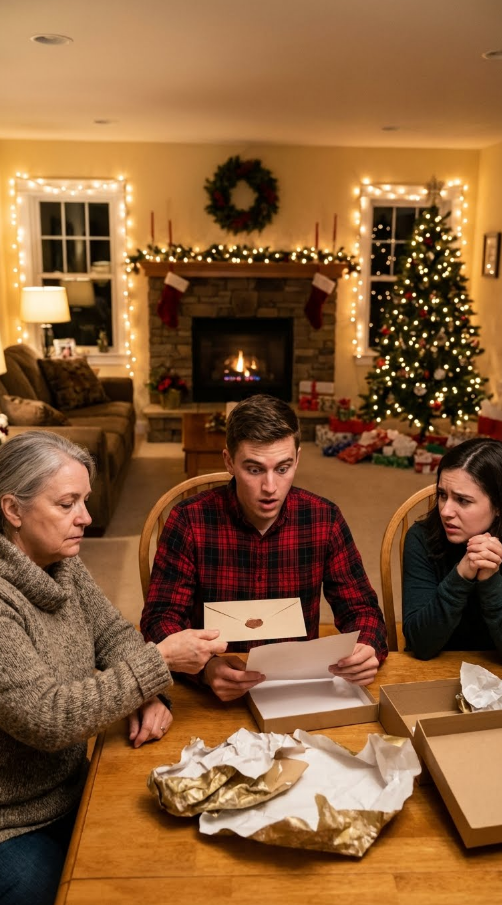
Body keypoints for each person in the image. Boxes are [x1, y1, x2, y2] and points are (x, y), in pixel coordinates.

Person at [0, 431, 226, 905]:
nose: (86, 517)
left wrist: (151, 694)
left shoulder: (61, 561)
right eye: (67, 504)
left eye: (84, 500)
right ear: (13, 510)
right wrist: (160, 661)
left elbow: (115, 635)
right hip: (12, 823)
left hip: (73, 782)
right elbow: (49, 717)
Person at [141, 395, 388, 701]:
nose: (270, 488)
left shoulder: (324, 518)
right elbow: (159, 620)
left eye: (283, 468)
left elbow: (362, 609)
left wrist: (366, 648)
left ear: (297, 459)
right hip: (212, 692)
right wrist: (204, 669)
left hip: (295, 689)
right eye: (255, 470)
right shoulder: (188, 521)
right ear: (229, 461)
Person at [402, 436, 502, 659]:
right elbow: (420, 644)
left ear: (498, 506)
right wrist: (461, 574)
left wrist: (491, 580)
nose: (446, 511)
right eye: (442, 495)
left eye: (463, 500)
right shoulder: (421, 538)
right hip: (433, 674)